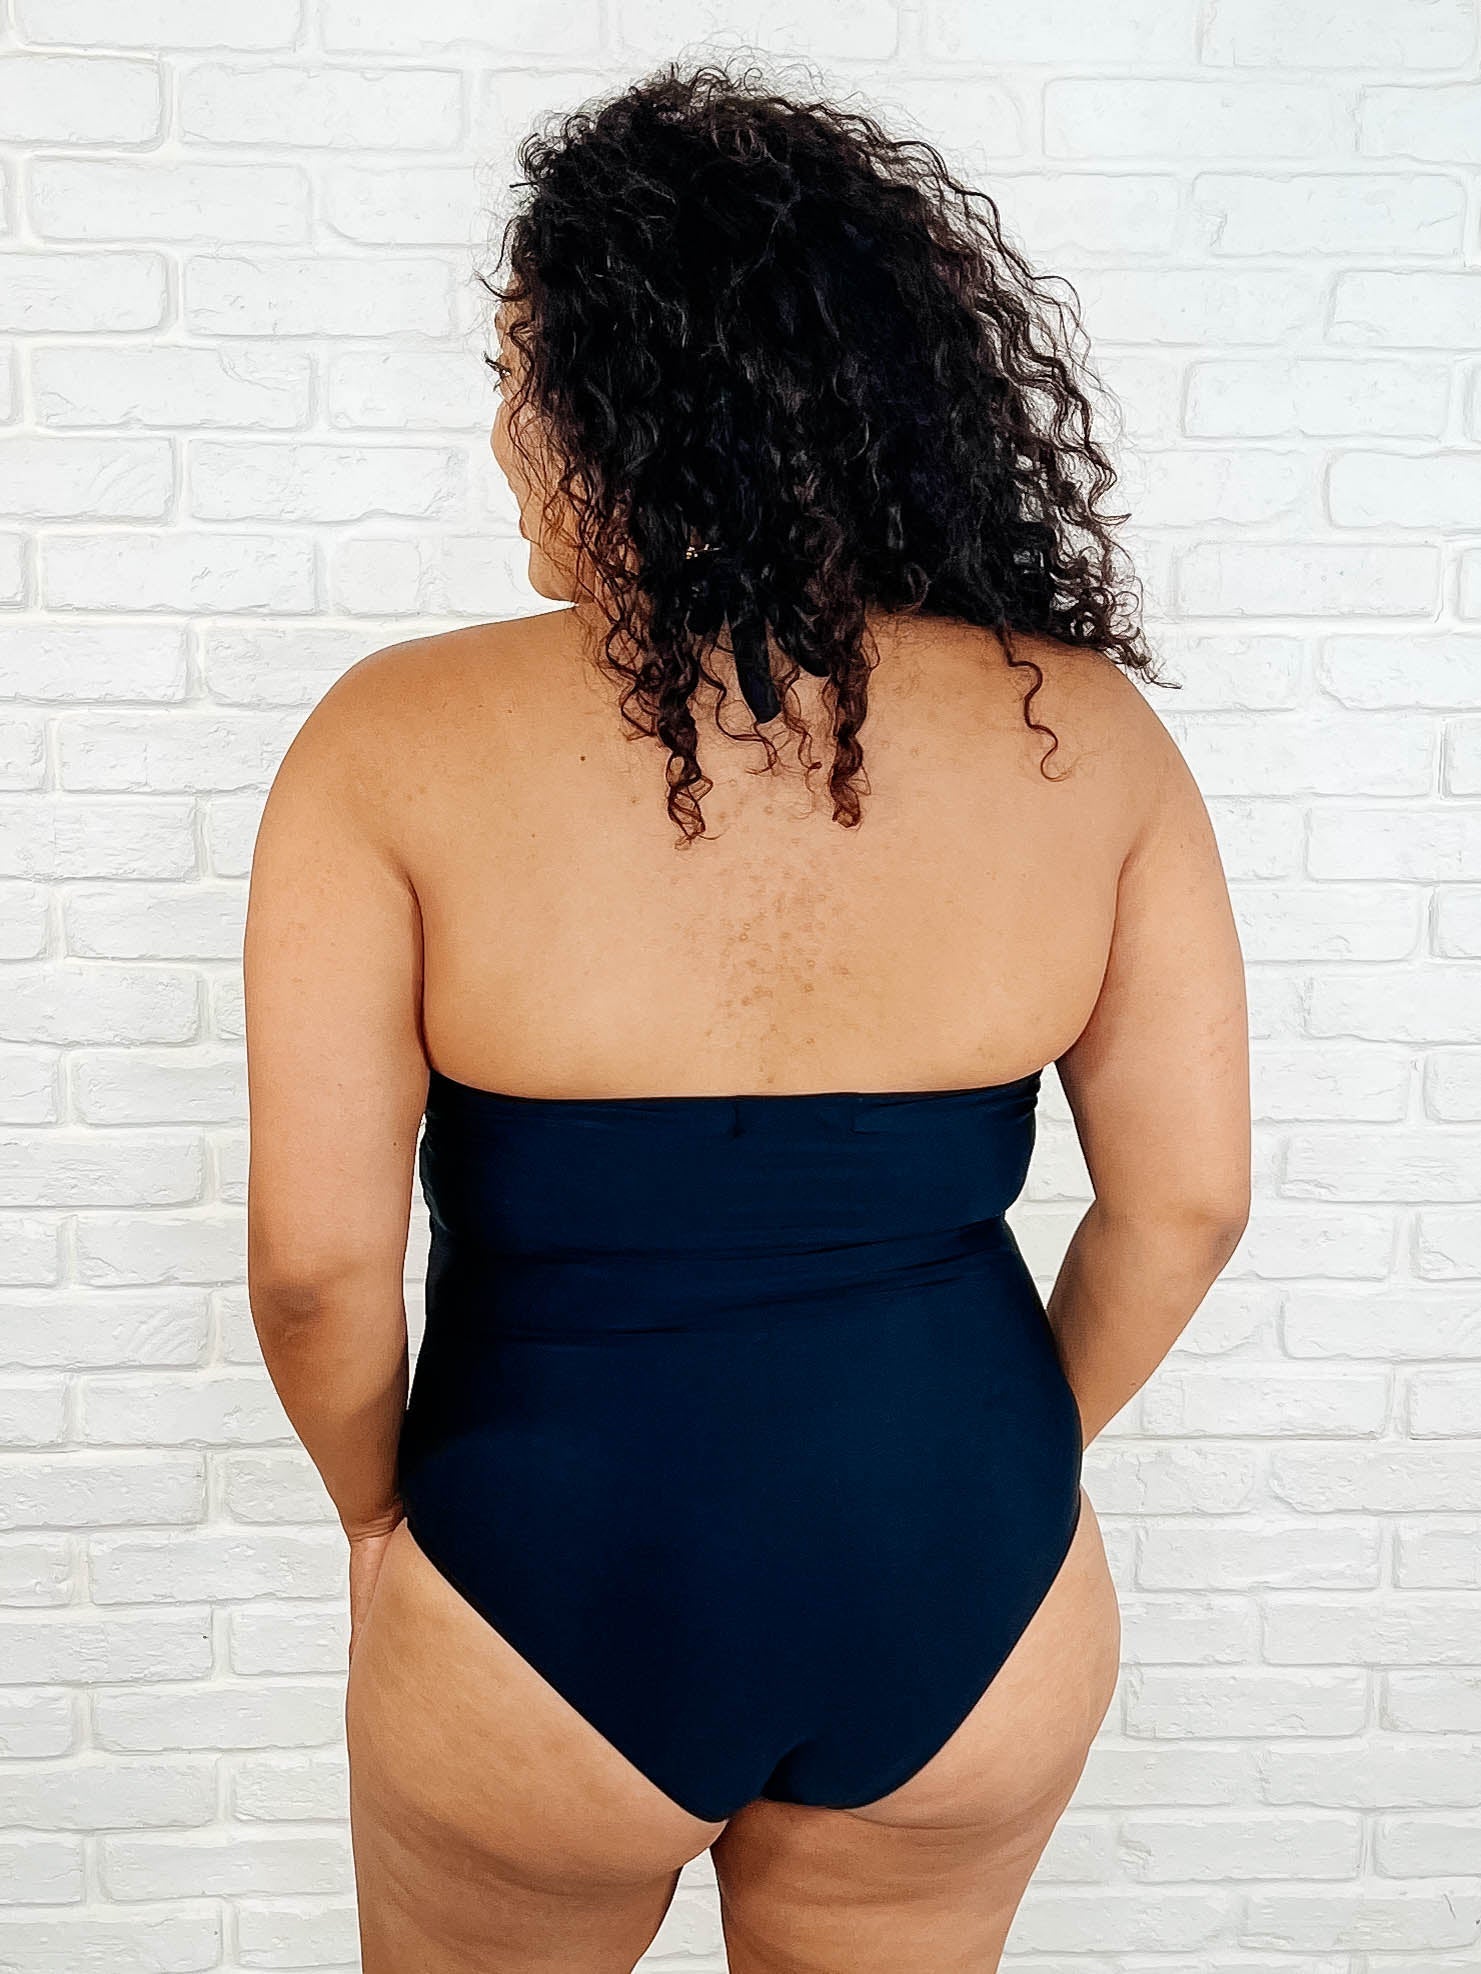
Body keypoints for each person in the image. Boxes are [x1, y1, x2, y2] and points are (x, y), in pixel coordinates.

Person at [243, 60, 1251, 1974]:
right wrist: (993, 1459)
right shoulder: (1086, 733)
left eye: (519, 377)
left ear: (623, 401)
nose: (501, 433)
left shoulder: (391, 738)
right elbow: (1186, 1203)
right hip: (965, 1560)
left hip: (542, 1566)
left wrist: (379, 1525)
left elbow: (313, 1267)